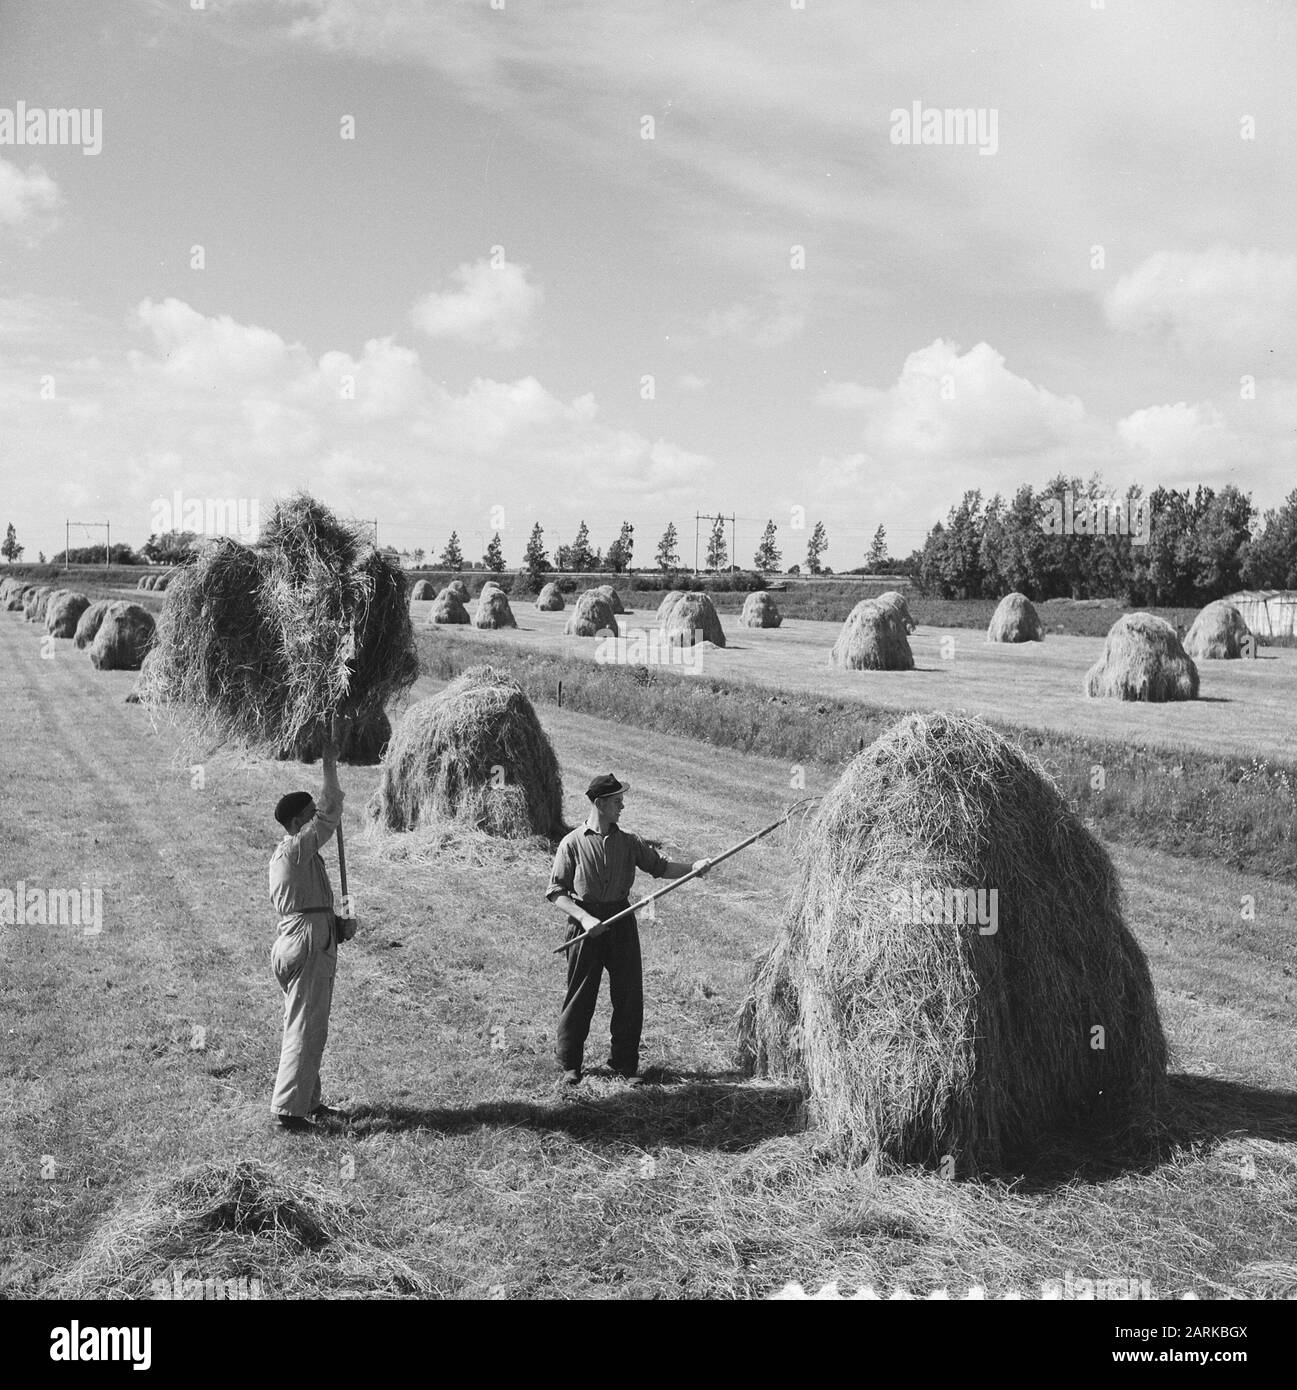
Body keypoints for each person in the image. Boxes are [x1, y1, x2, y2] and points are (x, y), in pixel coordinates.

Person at [547, 773, 711, 1086]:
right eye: (617, 801)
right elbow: (556, 891)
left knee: (628, 995)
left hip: (621, 919)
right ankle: (570, 1065)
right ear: (600, 804)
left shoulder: (629, 842)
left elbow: (660, 868)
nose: (623, 805)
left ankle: (624, 1065)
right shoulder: (572, 843)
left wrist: (693, 868)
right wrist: (584, 919)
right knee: (581, 995)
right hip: (586, 924)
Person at [268, 717, 354, 1132]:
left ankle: (308, 1100)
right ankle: (289, 1111)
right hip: (304, 943)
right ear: (298, 822)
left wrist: (336, 924)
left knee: (307, 1022)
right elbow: (332, 809)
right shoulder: (296, 847)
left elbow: (307, 906)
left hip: (298, 938)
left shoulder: (293, 857)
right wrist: (329, 763)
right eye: (309, 815)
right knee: (306, 1024)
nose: (314, 818)